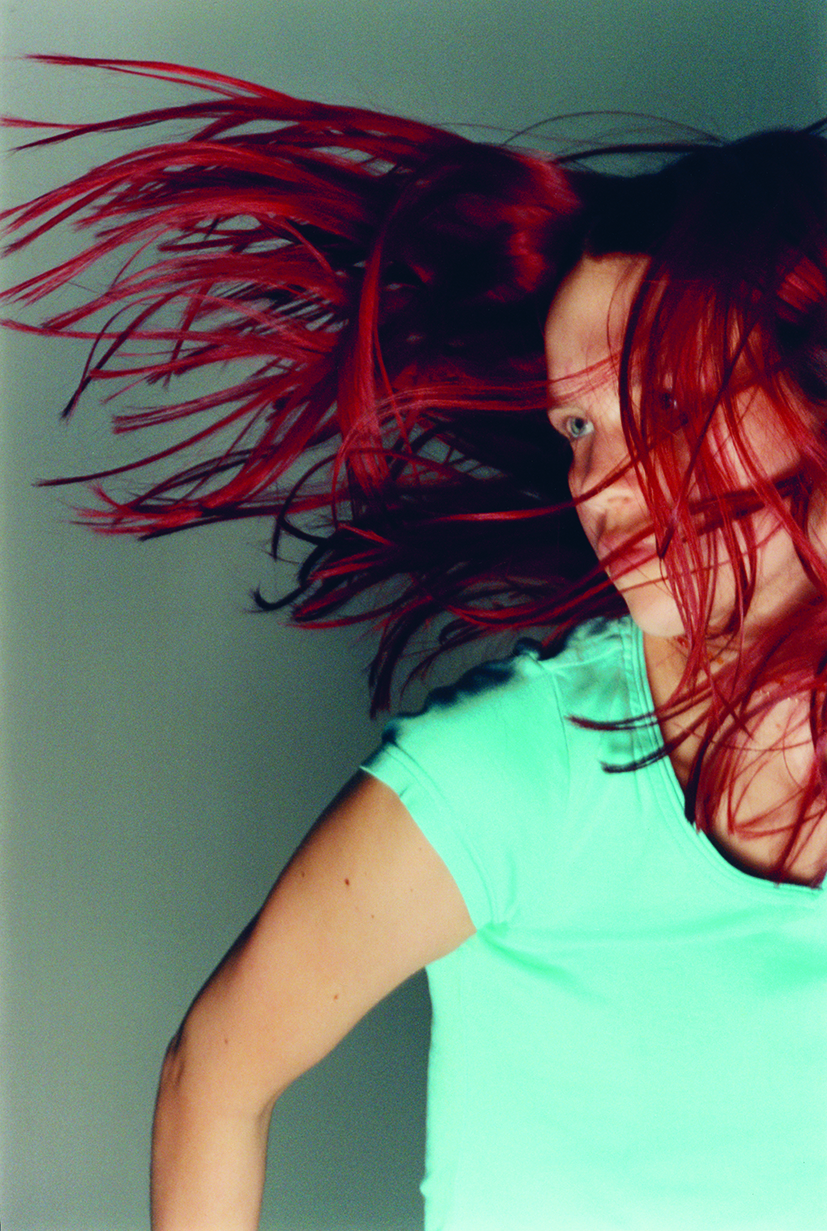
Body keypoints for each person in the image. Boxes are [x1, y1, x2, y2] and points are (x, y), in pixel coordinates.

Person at [4, 55, 827, 1231]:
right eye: (576, 425)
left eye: (657, 403)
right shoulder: (509, 774)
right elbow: (214, 1076)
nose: (595, 479)